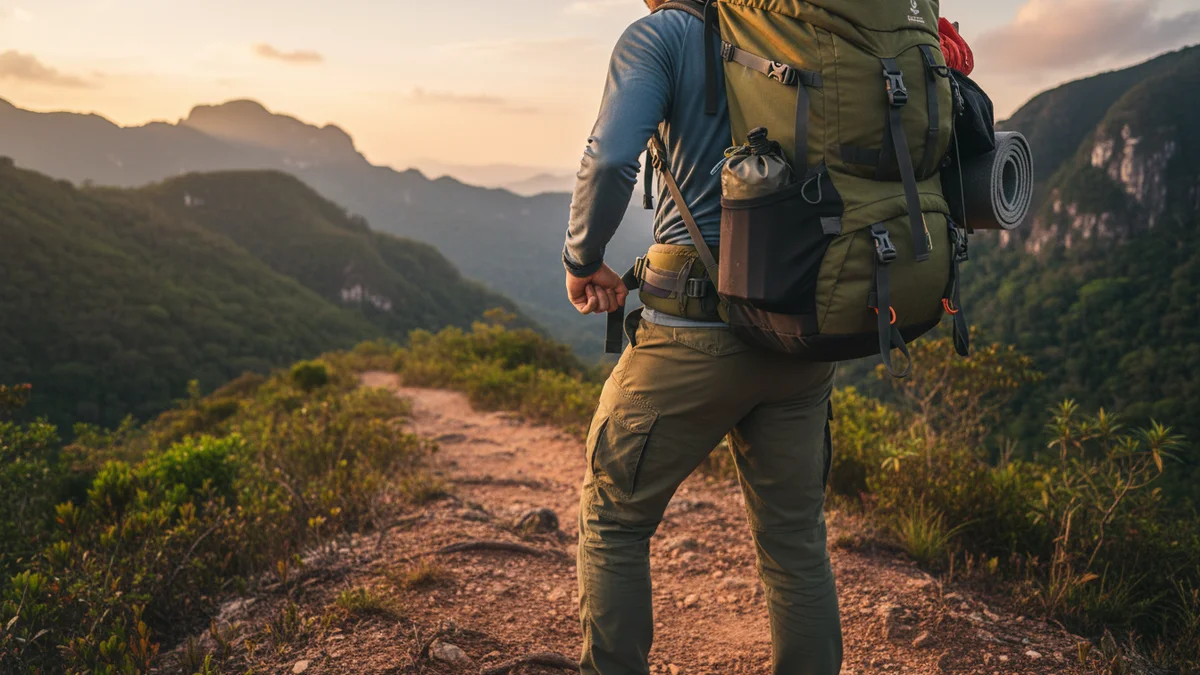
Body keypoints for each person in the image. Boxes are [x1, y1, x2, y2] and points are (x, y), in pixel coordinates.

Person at [562, 2, 842, 674]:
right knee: (795, 539)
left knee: (614, 518)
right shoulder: (803, 32)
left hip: (693, 333)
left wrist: (582, 258)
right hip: (803, 333)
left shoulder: (661, 35)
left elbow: (609, 163)